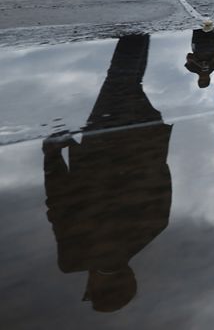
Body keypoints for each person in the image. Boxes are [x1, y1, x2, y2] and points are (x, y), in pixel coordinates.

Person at [43, 34, 173, 312]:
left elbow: (162, 176)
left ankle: (140, 31)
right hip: (103, 149)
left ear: (131, 276)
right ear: (95, 286)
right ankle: (137, 28)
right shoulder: (73, 257)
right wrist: (52, 155)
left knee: (126, 82)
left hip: (146, 139)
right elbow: (59, 203)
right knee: (120, 79)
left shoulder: (153, 230)